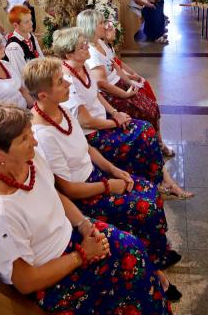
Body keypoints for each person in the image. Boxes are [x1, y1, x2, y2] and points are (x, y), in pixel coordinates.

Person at [0, 104, 180, 315]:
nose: (35, 142)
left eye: (31, 133)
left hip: (73, 240)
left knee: (133, 249)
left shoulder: (26, 159)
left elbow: (54, 194)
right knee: (128, 282)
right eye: (24, 139)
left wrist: (84, 225)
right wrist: (81, 256)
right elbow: (26, 281)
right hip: (54, 277)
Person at [24, 58, 183, 293]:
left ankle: (156, 256)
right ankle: (151, 270)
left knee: (148, 190)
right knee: (144, 205)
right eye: (60, 81)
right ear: (43, 95)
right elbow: (68, 189)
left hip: (96, 176)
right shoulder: (43, 134)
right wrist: (109, 186)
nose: (68, 83)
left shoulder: (62, 110)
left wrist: (113, 170)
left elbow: (87, 148)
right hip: (84, 194)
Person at [53, 27, 192, 199]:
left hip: (103, 120)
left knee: (146, 128)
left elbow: (96, 93)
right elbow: (86, 121)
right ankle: (160, 181)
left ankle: (162, 180)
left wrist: (114, 112)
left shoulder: (83, 66)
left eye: (86, 43)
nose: (87, 47)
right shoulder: (68, 80)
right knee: (144, 132)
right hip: (92, 133)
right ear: (69, 55)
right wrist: (115, 122)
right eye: (82, 46)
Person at [78, 9, 174, 156]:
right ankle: (156, 145)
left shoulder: (100, 42)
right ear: (91, 27)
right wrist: (125, 95)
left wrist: (130, 80)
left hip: (120, 84)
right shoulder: (91, 53)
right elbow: (103, 85)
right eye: (101, 23)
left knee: (152, 106)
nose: (105, 26)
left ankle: (158, 143)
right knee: (146, 111)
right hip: (112, 94)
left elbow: (116, 64)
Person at [5, 5, 43, 78]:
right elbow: (22, 75)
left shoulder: (31, 36)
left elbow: (41, 57)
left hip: (38, 75)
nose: (31, 23)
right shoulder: (14, 47)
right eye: (26, 22)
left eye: (31, 19)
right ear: (16, 25)